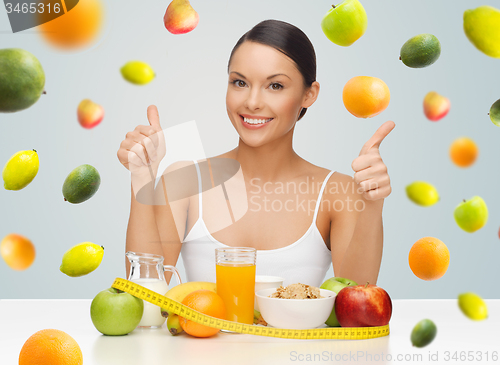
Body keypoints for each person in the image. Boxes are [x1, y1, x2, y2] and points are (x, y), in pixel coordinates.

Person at [117, 19, 395, 287]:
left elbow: (357, 304)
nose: (252, 102)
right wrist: (141, 176)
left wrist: (372, 203)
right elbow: (145, 299)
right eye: (239, 82)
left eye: (275, 86)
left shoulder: (338, 192)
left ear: (309, 94)